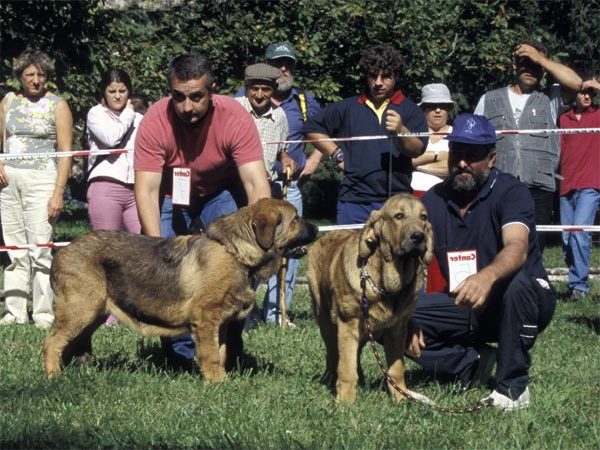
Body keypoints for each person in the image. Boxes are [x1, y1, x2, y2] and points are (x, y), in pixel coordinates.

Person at [406, 114, 557, 411]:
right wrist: (406, 315)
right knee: (391, 319)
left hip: (521, 300)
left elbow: (517, 248)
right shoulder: (432, 201)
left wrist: (487, 278)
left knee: (516, 282)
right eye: (458, 153)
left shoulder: (512, 192)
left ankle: (512, 388)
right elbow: (411, 262)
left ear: (491, 158)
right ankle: (470, 364)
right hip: (464, 302)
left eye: (472, 155)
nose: (462, 162)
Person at [134, 54, 271, 369]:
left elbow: (255, 183)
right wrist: (156, 249)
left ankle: (231, 343)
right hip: (171, 192)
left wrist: (261, 241)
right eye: (178, 97)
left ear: (213, 90)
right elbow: (147, 190)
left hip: (220, 191)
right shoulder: (155, 120)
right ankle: (181, 354)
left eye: (196, 97)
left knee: (240, 264)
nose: (186, 107)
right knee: (168, 272)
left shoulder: (235, 116)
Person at [236, 42, 322, 326]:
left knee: (289, 245)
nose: (283, 68)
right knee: (252, 246)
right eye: (277, 63)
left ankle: (276, 312)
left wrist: (314, 159)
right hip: (242, 187)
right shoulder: (239, 101)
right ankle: (245, 310)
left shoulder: (303, 103)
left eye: (288, 64)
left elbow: (322, 133)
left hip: (287, 186)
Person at [474, 40, 582, 252]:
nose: (529, 69)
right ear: (514, 65)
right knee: (498, 244)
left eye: (535, 65)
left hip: (539, 187)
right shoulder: (489, 99)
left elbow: (576, 84)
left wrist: (540, 58)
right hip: (499, 185)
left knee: (534, 248)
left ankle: (532, 284)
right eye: (524, 62)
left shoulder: (551, 98)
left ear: (543, 71)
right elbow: (476, 144)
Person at [303, 45, 428, 224]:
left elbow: (417, 150)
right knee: (352, 252)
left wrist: (401, 130)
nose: (378, 82)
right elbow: (311, 127)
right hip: (354, 201)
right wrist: (337, 155)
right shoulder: (347, 107)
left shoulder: (411, 110)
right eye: (373, 75)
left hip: (397, 201)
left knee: (396, 253)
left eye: (385, 76)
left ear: (397, 76)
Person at [0, 49, 73, 330]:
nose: (35, 80)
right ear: (20, 76)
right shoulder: (7, 101)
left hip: (43, 179)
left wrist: (58, 192)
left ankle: (43, 313)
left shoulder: (58, 104)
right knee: (14, 248)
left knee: (41, 248)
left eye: (41, 74)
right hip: (9, 182)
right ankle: (15, 311)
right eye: (30, 74)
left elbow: (66, 152)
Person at [85, 68, 144, 326]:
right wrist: (130, 112)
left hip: (135, 189)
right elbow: (111, 139)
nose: (118, 96)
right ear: (103, 93)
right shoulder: (96, 114)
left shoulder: (139, 118)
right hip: (105, 186)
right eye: (112, 91)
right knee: (108, 252)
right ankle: (109, 314)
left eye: (122, 91)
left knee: (142, 248)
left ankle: (139, 308)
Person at [559, 76, 600, 301]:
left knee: (579, 233)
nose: (586, 96)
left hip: (591, 184)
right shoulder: (563, 118)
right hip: (566, 183)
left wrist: (598, 85)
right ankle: (575, 280)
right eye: (583, 91)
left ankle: (580, 286)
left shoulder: (598, 115)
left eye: (590, 93)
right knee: (566, 237)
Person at [411, 83, 454, 197]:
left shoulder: (456, 135)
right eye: (432, 106)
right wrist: (437, 156)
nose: (438, 110)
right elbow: (405, 161)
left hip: (444, 196)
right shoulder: (412, 134)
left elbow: (453, 168)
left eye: (443, 106)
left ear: (449, 110)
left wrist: (419, 166)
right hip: (412, 196)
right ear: (423, 109)